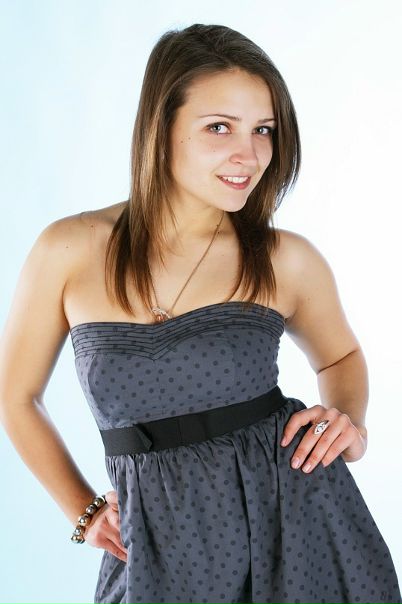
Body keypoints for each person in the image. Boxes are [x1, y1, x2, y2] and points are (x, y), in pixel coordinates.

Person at [0, 22, 400, 604]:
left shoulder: (285, 258)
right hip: (159, 545)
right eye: (219, 127)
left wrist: (348, 423)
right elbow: (15, 396)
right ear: (160, 128)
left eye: (263, 130)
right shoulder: (68, 249)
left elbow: (341, 355)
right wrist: (82, 510)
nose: (250, 155)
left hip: (298, 526)